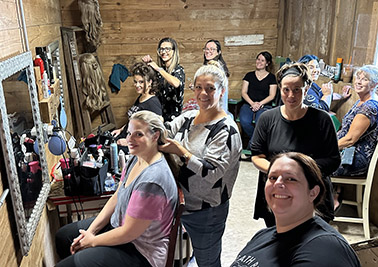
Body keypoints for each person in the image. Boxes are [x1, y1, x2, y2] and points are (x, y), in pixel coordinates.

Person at [55, 111, 178, 267]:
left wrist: (93, 242)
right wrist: (91, 231)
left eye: (138, 135)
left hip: (140, 250)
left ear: (155, 136)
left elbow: (129, 233)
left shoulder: (153, 182)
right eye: (129, 133)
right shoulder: (136, 157)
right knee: (63, 237)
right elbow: (117, 196)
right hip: (120, 227)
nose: (130, 140)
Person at [159, 64, 242, 267]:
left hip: (207, 211)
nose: (203, 93)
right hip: (182, 202)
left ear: (222, 90)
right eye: (198, 87)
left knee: (208, 262)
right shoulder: (188, 117)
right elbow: (166, 130)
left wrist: (182, 152)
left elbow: (211, 172)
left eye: (210, 88)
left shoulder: (226, 130)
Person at [231, 152, 361, 267]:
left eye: (291, 179)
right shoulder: (263, 235)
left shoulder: (325, 249)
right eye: (273, 177)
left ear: (313, 193)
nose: (278, 184)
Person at [251, 62, 341, 227]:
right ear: (280, 89)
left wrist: (300, 172)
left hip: (312, 195)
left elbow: (333, 160)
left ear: (306, 89)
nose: (291, 95)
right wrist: (282, 174)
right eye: (286, 89)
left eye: (297, 89)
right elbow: (257, 156)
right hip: (278, 192)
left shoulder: (322, 120)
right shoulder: (267, 119)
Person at [333, 65, 378, 209]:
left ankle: (322, 205)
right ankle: (331, 195)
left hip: (354, 159)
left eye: (365, 80)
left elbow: (350, 139)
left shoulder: (370, 107)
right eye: (358, 78)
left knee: (312, 163)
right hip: (347, 152)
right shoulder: (362, 100)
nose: (359, 82)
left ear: (374, 84)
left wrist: (326, 147)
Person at [111, 62, 162, 147]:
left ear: (150, 82)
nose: (137, 85)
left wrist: (129, 142)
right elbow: (133, 119)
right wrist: (121, 129)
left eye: (141, 82)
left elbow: (155, 133)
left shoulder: (153, 103)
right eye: (135, 81)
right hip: (125, 136)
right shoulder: (141, 97)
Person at [239, 51, 278, 148]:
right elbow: (243, 92)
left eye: (262, 60)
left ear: (267, 63)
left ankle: (251, 146)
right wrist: (252, 103)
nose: (259, 62)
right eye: (258, 59)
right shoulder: (249, 75)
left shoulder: (271, 78)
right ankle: (257, 142)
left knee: (260, 122)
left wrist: (259, 104)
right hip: (248, 104)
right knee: (244, 121)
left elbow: (272, 95)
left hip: (264, 105)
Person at [142, 37, 185, 122]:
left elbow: (176, 83)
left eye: (167, 49)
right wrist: (148, 65)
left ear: (174, 51)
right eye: (161, 49)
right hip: (159, 116)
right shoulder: (161, 71)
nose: (164, 52)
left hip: (174, 119)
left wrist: (158, 68)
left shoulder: (178, 70)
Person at [203, 39, 230, 113]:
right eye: (207, 49)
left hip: (216, 109)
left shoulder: (216, 67)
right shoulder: (212, 65)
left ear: (218, 52)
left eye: (212, 49)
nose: (208, 51)